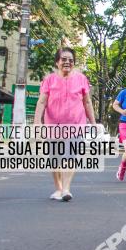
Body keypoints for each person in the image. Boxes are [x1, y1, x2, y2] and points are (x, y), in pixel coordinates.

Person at [34, 47, 96, 202]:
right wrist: (37, 122)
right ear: (57, 62)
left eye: (70, 60)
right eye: (64, 59)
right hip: (53, 127)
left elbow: (87, 102)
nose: (67, 62)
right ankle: (58, 188)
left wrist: (93, 123)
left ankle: (66, 189)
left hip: (76, 126)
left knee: (70, 157)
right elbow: (42, 101)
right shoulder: (49, 80)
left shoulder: (81, 79)